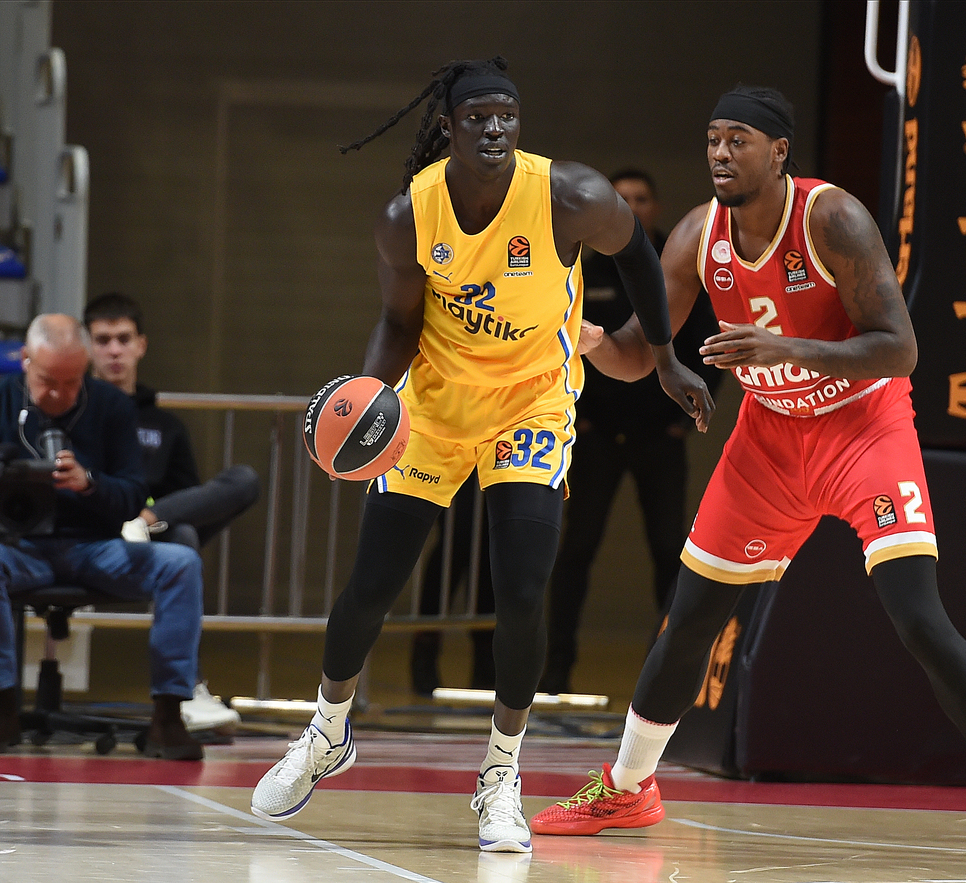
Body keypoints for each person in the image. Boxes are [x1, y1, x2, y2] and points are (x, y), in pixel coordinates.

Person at [529, 85, 966, 870]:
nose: (720, 152)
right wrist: (576, 333)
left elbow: (901, 347)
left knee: (918, 619)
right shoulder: (695, 236)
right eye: (713, 138)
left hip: (864, 428)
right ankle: (630, 783)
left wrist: (791, 352)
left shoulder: (832, 219)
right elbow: (630, 349)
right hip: (769, 440)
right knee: (688, 618)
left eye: (738, 140)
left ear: (779, 152)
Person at [249, 57, 713, 854]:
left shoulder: (570, 195)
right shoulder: (409, 215)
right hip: (433, 408)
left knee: (522, 587)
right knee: (372, 584)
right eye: (479, 119)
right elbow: (398, 323)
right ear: (447, 128)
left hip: (533, 403)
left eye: (508, 116)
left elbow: (639, 254)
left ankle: (502, 772)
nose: (496, 129)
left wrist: (664, 356)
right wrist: (363, 403)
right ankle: (327, 730)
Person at [539, 169, 721, 695]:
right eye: (622, 199)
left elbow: (710, 340)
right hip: (596, 435)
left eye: (642, 198)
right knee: (575, 551)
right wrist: (583, 414)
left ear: (656, 207)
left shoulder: (677, 264)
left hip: (659, 436)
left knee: (670, 551)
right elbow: (563, 338)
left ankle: (667, 674)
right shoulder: (580, 263)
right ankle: (556, 670)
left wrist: (680, 420)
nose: (632, 206)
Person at [0, 314, 205, 760]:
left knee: (180, 564)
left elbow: (132, 496)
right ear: (26, 361)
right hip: (17, 549)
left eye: (73, 383)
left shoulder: (111, 406)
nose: (60, 394)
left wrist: (89, 483)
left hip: (95, 548)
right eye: (49, 381)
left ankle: (168, 714)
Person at [82, 291, 259, 736]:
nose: (115, 350)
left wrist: (145, 519)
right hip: (93, 538)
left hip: (149, 537)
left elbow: (189, 502)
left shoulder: (165, 427)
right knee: (181, 541)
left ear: (141, 344)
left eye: (124, 339)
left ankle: (186, 693)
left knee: (239, 483)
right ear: (88, 346)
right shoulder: (76, 414)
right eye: (103, 340)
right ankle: (183, 691)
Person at [409, 472, 496, 697]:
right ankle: (425, 647)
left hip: (498, 451)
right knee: (457, 538)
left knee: (489, 548)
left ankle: (486, 655)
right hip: (456, 452)